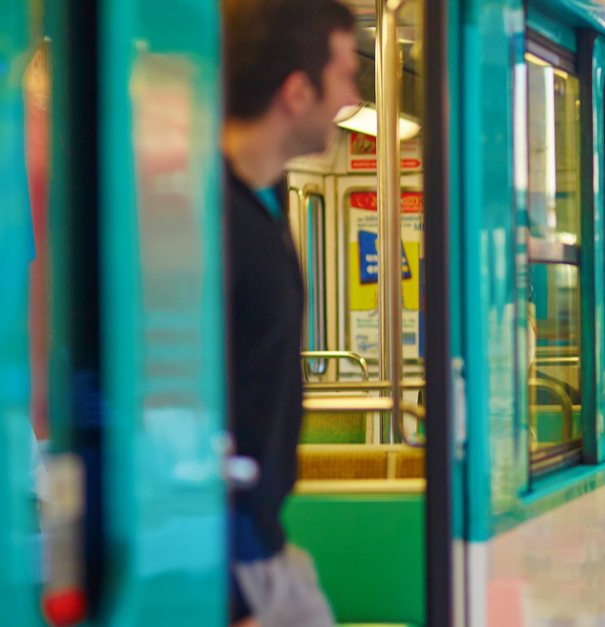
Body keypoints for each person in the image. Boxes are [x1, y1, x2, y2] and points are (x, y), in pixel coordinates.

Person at [221, 0, 360, 625]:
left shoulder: (268, 199)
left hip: (262, 546)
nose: (352, 97)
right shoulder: (208, 220)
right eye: (346, 75)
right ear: (297, 91)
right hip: (229, 562)